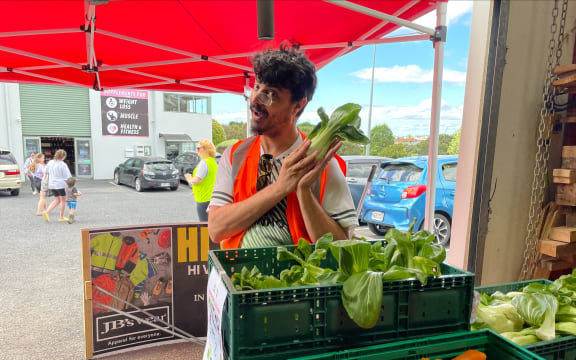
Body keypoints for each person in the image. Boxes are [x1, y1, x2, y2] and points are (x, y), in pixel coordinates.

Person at [208, 45, 358, 249]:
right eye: (256, 87)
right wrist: (280, 188)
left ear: (298, 105)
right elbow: (216, 229)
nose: (255, 100)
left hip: (298, 280)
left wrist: (303, 190)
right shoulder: (235, 156)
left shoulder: (322, 163)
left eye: (271, 94)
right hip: (239, 277)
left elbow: (341, 246)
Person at [184, 139, 218, 222]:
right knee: (212, 223)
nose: (197, 150)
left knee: (204, 224)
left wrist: (188, 178)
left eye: (199, 148)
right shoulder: (213, 162)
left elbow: (196, 180)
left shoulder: (204, 163)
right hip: (212, 198)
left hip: (203, 199)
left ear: (206, 149)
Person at [42, 149, 72, 223]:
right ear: (63, 157)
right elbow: (66, 177)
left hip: (52, 184)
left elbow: (46, 172)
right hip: (61, 184)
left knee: (56, 199)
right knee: (63, 201)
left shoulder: (50, 162)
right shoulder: (63, 165)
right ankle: (61, 217)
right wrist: (70, 186)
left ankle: (46, 212)